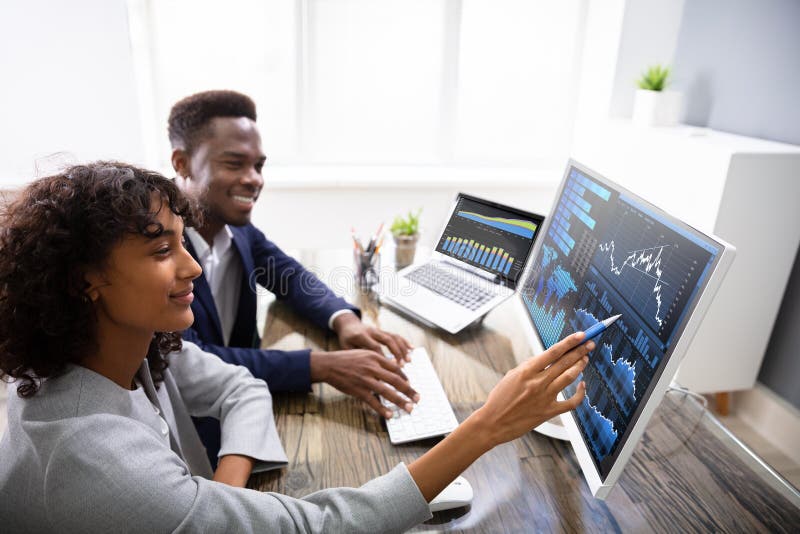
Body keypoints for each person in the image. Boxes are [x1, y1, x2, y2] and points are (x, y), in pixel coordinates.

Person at [0, 162, 590, 532]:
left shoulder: (136, 346)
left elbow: (241, 381)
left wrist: (212, 502)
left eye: (185, 245)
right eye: (161, 253)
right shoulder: (89, 458)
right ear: (85, 281)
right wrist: (487, 425)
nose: (191, 268)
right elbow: (314, 525)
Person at [168, 90, 421, 464]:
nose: (254, 179)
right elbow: (192, 361)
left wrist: (345, 321)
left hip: (247, 411)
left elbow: (288, 275)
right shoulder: (158, 252)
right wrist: (320, 366)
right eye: (235, 163)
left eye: (259, 166)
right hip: (198, 443)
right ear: (183, 163)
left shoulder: (236, 231)